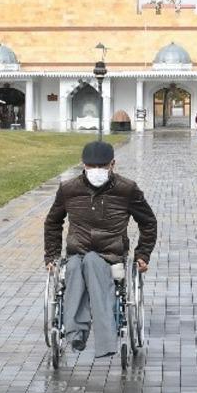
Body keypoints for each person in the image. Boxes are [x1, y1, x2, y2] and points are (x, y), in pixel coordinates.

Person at [45, 141, 157, 357]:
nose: (97, 171)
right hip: (77, 251)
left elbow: (148, 222)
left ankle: (104, 341)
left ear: (112, 164)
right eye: (91, 166)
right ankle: (76, 333)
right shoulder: (68, 189)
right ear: (83, 165)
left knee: (92, 262)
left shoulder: (127, 189)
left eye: (102, 166)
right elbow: (53, 222)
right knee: (78, 265)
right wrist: (51, 255)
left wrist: (143, 254)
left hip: (110, 254)